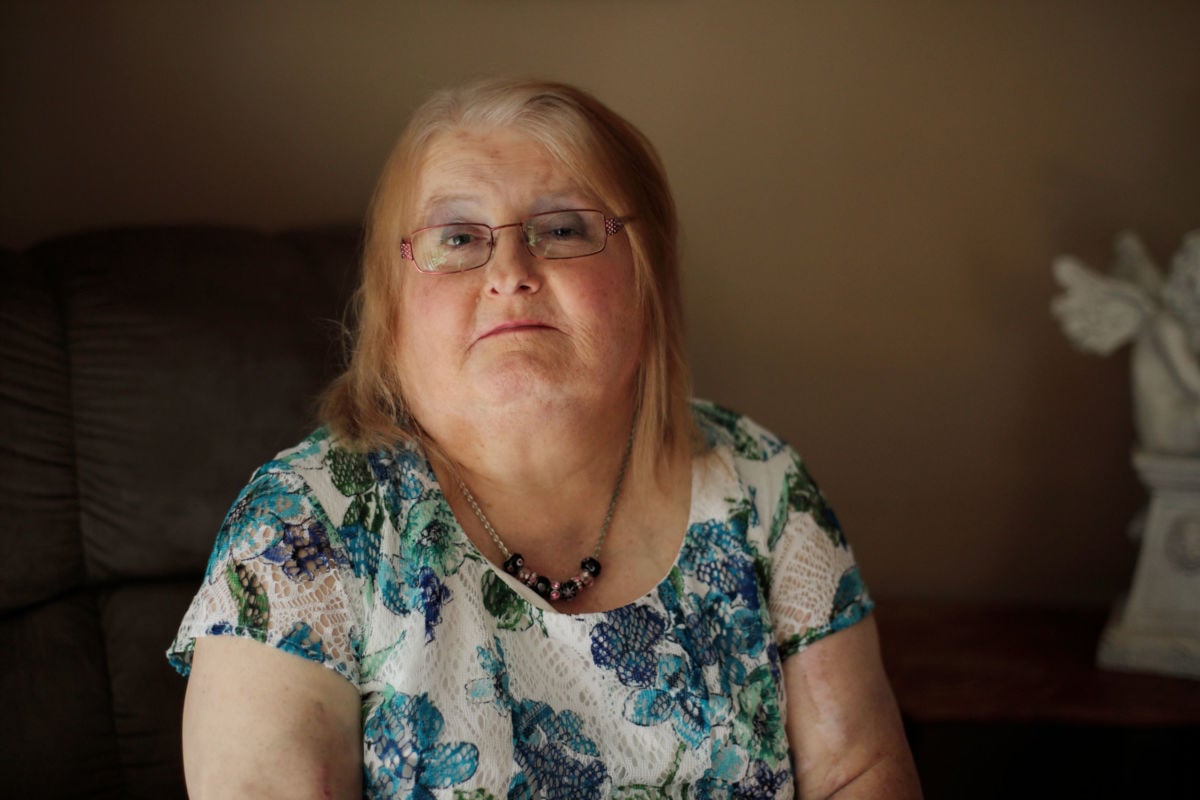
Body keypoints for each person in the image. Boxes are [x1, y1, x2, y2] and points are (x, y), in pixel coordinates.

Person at [168, 77, 920, 799]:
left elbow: (860, 774)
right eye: (458, 237)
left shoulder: (762, 482)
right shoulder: (304, 525)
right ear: (392, 308)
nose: (510, 271)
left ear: (647, 275)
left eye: (562, 229)